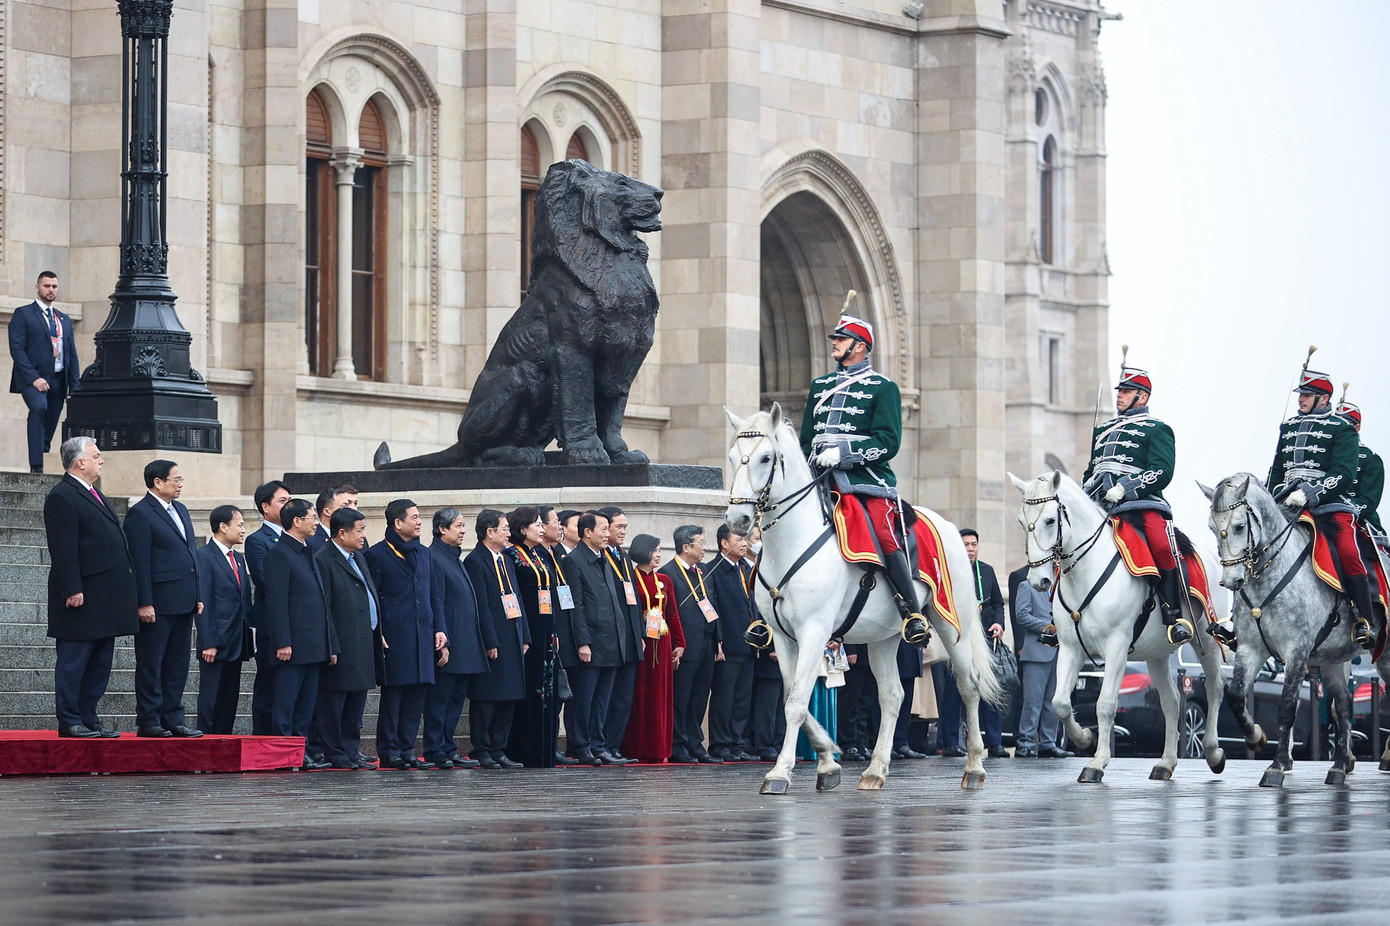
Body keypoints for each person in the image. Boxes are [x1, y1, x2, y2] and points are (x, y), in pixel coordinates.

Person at [799, 307, 929, 646]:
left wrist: (844, 454)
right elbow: (805, 438)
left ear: (860, 346)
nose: (834, 343)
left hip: (864, 480)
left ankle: (911, 611)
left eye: (841, 339)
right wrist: (809, 461)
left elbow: (888, 441)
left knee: (884, 533)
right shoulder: (820, 386)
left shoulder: (883, 388)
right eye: (835, 338)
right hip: (818, 478)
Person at [1080, 353, 1191, 645]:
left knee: (1161, 545)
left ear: (1142, 397)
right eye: (1120, 390)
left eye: (1127, 391)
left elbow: (1162, 471)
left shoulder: (1157, 429)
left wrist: (1126, 488)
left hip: (1139, 504)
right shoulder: (1102, 430)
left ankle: (1173, 615)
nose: (1120, 395)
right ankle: (1060, 618)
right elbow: (1092, 470)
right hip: (1100, 503)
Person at [1268, 355, 1374, 647]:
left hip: (1327, 505)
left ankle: (1363, 618)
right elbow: (1276, 470)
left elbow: (1344, 473)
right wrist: (1274, 496)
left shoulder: (1341, 428)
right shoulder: (1288, 427)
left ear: (1324, 398)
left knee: (1349, 551)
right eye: (1301, 394)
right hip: (1287, 504)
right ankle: (1240, 619)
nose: (1300, 399)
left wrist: (1310, 492)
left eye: (1307, 394)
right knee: (1256, 544)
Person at [43, 437, 137, 737]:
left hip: (104, 597)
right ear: (80, 462)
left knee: (99, 662)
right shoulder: (62, 495)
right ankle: (70, 719)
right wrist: (72, 588)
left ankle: (88, 716)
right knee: (75, 661)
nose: (101, 460)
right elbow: (63, 548)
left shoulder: (93, 492)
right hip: (82, 596)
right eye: (96, 456)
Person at [122, 459, 204, 738]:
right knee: (152, 664)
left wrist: (197, 594)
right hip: (157, 603)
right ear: (157, 482)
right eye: (175, 479)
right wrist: (144, 601)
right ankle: (149, 719)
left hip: (184, 601)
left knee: (177, 664)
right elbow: (139, 562)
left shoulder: (180, 509)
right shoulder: (140, 513)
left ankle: (173, 717)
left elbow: (191, 554)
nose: (180, 484)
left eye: (181, 479)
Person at [366, 498, 446, 770]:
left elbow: (434, 595)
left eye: (419, 516)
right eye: (414, 517)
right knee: (395, 696)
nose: (420, 521)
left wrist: (440, 628)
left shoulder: (424, 553)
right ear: (397, 523)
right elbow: (372, 598)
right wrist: (377, 632)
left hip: (423, 635)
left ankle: (406, 748)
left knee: (416, 696)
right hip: (395, 637)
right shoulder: (377, 554)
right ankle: (389, 750)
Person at [262, 498, 338, 767]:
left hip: (313, 644)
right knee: (286, 704)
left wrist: (329, 644)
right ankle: (284, 754)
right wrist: (283, 642)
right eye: (312, 518)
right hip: (292, 645)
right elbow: (276, 603)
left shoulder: (308, 551)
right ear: (296, 521)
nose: (316, 523)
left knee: (305, 706)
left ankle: (300, 752)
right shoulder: (279, 554)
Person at [562, 510, 636, 765]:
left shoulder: (605, 557)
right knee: (584, 699)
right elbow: (576, 606)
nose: (608, 534)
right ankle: (581, 746)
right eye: (603, 529)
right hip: (591, 642)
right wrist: (583, 642)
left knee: (603, 699)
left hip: (611, 641)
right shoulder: (574, 561)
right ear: (587, 532)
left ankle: (598, 744)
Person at [314, 507, 386, 770]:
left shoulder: (359, 557)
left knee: (356, 702)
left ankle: (351, 749)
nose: (364, 535)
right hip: (342, 643)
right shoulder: (323, 559)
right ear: (342, 533)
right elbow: (324, 608)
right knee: (335, 704)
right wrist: (331, 644)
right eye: (360, 530)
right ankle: (335, 752)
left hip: (364, 640)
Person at [463, 509, 532, 767]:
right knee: (488, 697)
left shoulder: (505, 559)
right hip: (494, 639)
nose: (508, 533)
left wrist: (525, 635)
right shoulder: (475, 560)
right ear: (490, 532)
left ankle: (499, 748)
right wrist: (489, 640)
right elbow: (481, 605)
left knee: (510, 695)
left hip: (513, 634)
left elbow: (517, 599)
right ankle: (482, 748)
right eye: (504, 529)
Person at [423, 508, 490, 770]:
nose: (463, 530)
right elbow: (437, 601)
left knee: (454, 701)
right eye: (458, 525)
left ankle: (448, 747)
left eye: (463, 525)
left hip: (466, 643)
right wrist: (444, 641)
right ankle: (435, 748)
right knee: (439, 701)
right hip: (449, 642)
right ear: (442, 529)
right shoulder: (434, 557)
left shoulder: (454, 556)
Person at [935, 529, 1006, 758]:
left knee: (988, 688)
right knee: (953, 692)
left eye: (974, 544)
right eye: (965, 545)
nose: (970, 549)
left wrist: (999, 624)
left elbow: (998, 603)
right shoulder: (950, 570)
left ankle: (995, 743)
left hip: (985, 639)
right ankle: (950, 742)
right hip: (958, 638)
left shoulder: (987, 570)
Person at [660, 524, 722, 763]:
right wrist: (676, 644)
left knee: (699, 697)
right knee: (681, 697)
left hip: (707, 642)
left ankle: (696, 744)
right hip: (684, 645)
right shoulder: (668, 573)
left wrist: (718, 639)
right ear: (686, 547)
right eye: (701, 543)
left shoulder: (703, 571)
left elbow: (712, 604)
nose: (705, 548)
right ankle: (678, 746)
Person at [622, 533, 686, 762]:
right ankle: (638, 747)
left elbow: (673, 613)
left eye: (659, 551)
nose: (658, 555)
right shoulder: (630, 577)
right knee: (641, 693)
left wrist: (680, 643)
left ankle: (660, 748)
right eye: (654, 550)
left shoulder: (665, 580)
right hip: (642, 641)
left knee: (661, 694)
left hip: (663, 639)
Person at [505, 505, 561, 768]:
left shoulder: (540, 554)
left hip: (546, 630)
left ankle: (544, 751)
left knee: (546, 690)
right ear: (522, 528)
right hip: (527, 631)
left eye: (542, 524)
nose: (541, 529)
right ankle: (523, 750)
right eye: (537, 524)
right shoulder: (511, 556)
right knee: (528, 689)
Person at [9, 271, 80, 474]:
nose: (50, 290)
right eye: (46, 286)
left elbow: (72, 354)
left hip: (59, 379)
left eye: (54, 286)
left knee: (51, 420)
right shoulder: (23, 314)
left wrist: (74, 386)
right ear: (37, 287)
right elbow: (17, 349)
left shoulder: (63, 319)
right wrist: (34, 378)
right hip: (33, 379)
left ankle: (44, 457)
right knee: (39, 408)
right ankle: (37, 465)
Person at [195, 505, 252, 734]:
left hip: (236, 642)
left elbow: (244, 601)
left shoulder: (238, 558)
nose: (243, 530)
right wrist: (208, 642)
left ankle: (224, 741)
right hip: (216, 643)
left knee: (229, 700)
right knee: (211, 700)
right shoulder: (204, 556)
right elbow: (203, 602)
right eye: (240, 524)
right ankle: (207, 744)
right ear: (223, 527)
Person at [1008, 564, 1072, 758]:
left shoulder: (1062, 587)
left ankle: (1048, 742)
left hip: (1060, 653)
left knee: (1053, 702)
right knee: (1032, 701)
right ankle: (1025, 743)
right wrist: (1047, 627)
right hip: (1036, 652)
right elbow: (1022, 616)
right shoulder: (1026, 586)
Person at [597, 505, 645, 762]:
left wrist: (639, 635)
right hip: (612, 637)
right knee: (607, 694)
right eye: (619, 526)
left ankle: (615, 745)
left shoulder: (624, 557)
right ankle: (601, 744)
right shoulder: (601, 556)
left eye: (625, 526)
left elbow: (634, 598)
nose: (623, 531)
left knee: (624, 696)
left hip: (630, 636)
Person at [706, 524, 757, 762]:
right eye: (739, 539)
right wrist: (719, 641)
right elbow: (714, 609)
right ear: (724, 543)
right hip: (727, 645)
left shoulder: (746, 568)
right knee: (724, 698)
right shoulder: (713, 570)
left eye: (746, 539)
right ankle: (721, 744)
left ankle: (738, 742)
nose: (744, 543)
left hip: (749, 644)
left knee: (741, 699)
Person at [244, 479, 291, 734]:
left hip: (295, 623)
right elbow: (265, 581)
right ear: (265, 507)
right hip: (270, 625)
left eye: (289, 500)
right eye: (282, 501)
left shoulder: (299, 539)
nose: (288, 506)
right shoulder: (258, 540)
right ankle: (262, 738)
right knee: (269, 685)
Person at [538, 505, 580, 765]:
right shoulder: (540, 556)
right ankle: (548, 744)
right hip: (548, 634)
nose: (560, 528)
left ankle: (553, 744)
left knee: (559, 697)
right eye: (555, 522)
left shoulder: (557, 556)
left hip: (562, 631)